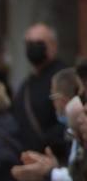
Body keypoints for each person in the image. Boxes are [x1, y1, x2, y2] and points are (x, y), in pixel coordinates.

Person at [13, 22, 70, 155]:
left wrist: (45, 142)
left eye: (39, 43)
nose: (33, 47)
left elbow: (67, 122)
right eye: (29, 43)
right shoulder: (28, 83)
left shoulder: (63, 78)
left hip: (54, 158)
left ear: (53, 46)